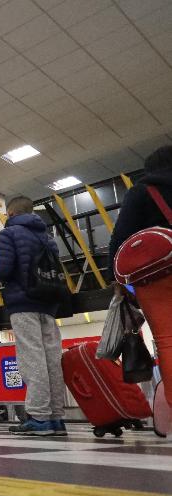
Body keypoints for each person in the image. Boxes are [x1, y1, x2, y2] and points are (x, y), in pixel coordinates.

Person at [108, 145, 172, 428]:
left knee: (168, 341)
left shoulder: (143, 191)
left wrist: (117, 280)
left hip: (158, 278)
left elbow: (120, 237)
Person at [0, 195, 67, 436]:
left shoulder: (9, 233)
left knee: (31, 357)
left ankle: (38, 417)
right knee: (52, 358)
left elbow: (3, 269)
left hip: (23, 302)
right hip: (49, 303)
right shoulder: (47, 236)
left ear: (12, 213)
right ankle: (56, 417)